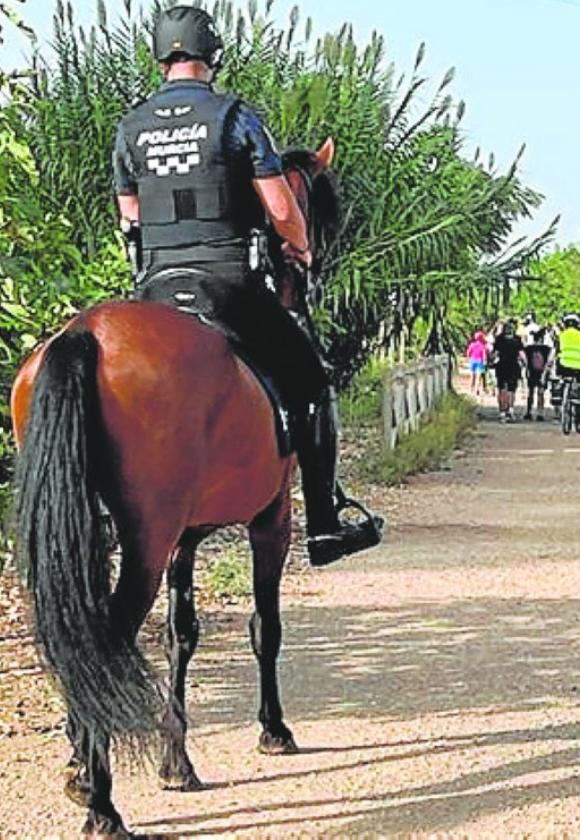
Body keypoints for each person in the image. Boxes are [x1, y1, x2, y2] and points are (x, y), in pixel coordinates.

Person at [112, 6, 381, 567]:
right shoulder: (235, 117)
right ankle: (326, 524)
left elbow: (130, 215)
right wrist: (300, 245)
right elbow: (281, 204)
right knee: (310, 382)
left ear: (161, 55)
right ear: (212, 55)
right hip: (227, 284)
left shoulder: (131, 126)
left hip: (156, 287)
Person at [491, 319, 524, 422]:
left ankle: (502, 412)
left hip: (501, 366)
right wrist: (525, 364)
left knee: (502, 389)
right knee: (511, 389)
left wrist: (490, 361)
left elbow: (495, 354)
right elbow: (521, 354)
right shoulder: (517, 339)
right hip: (514, 366)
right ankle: (510, 410)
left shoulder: (499, 339)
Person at [524, 328, 552, 421]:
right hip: (542, 372)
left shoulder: (528, 348)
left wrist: (527, 370)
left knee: (530, 392)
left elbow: (526, 361)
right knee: (541, 393)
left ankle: (529, 411)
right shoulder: (546, 349)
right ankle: (540, 412)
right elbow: (548, 361)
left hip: (531, 371)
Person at [466, 330, 488, 396]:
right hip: (479, 361)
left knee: (472, 376)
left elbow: (468, 353)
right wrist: (485, 361)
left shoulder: (472, 345)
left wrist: (469, 358)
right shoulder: (483, 346)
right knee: (478, 376)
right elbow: (484, 355)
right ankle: (476, 389)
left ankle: (471, 389)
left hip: (472, 360)